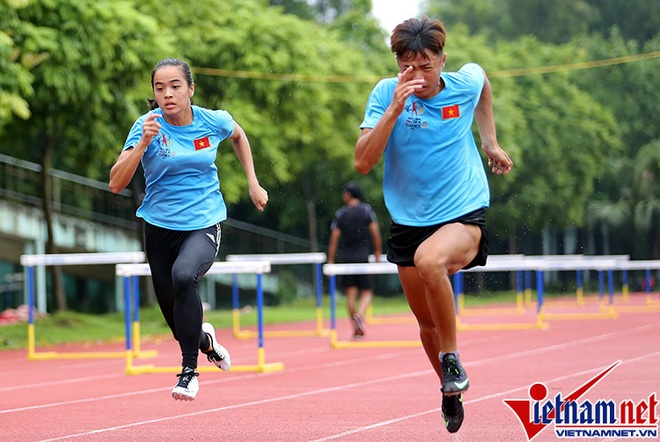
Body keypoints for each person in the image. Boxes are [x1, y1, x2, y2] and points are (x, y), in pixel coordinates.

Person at [354, 17, 513, 433]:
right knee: (426, 325)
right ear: (398, 64)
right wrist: (394, 110)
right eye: (409, 67)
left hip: (462, 211)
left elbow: (483, 85)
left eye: (427, 66)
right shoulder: (386, 95)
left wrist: (489, 140)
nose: (418, 76)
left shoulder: (463, 84)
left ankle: (452, 357)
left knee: (430, 262)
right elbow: (363, 162)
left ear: (443, 60)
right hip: (408, 220)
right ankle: (450, 388)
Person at [109, 58, 268, 401]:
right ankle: (205, 342)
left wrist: (253, 183)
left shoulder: (213, 121)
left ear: (191, 89)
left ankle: (188, 373)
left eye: (175, 86)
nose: (167, 94)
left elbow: (239, 136)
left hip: (203, 223)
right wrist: (141, 145)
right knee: (179, 324)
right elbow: (115, 183)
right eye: (160, 88)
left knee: (184, 277)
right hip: (158, 229)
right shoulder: (146, 126)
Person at [327, 181, 382, 339]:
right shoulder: (366, 211)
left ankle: (356, 328)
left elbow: (334, 237)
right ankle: (360, 314)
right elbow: (375, 232)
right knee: (367, 291)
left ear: (349, 194)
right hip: (363, 256)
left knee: (350, 293)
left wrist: (331, 260)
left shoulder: (341, 213)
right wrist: (377, 251)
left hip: (347, 256)